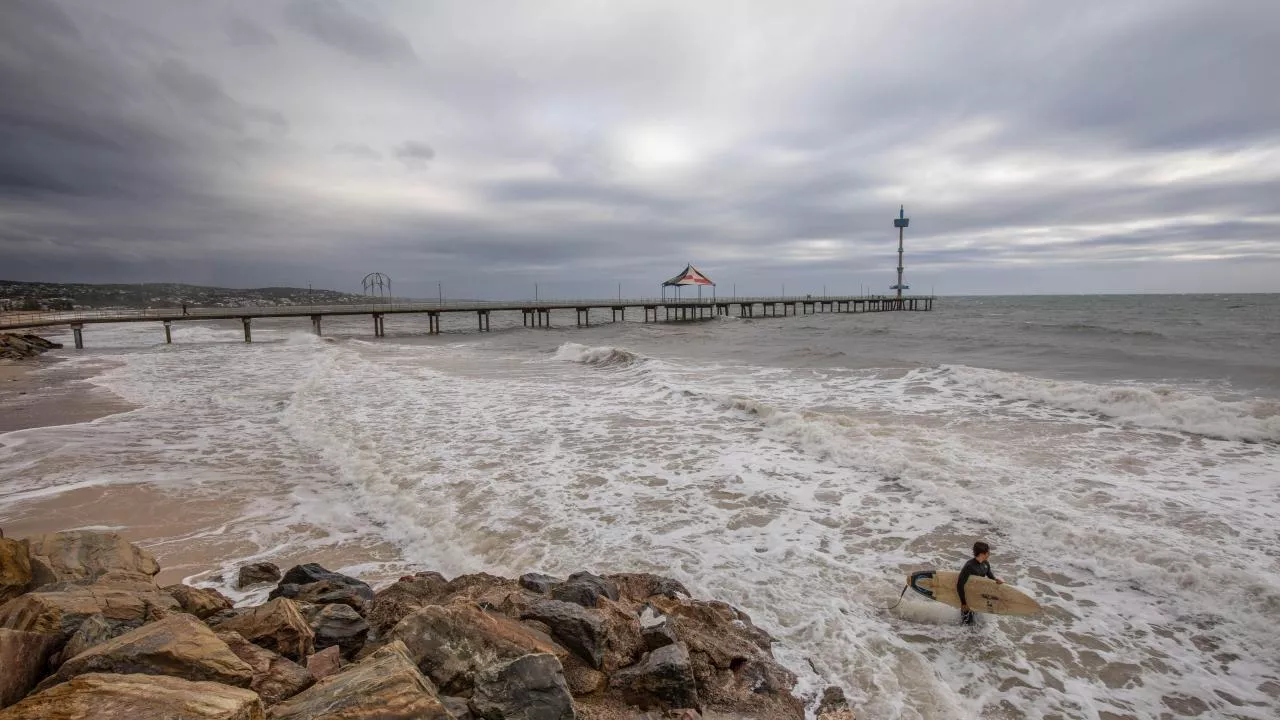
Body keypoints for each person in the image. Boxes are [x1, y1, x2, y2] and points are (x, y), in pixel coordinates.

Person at [958, 541, 1003, 625]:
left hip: (977, 597)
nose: (989, 554)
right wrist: (963, 603)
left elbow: (990, 576)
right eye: (988, 552)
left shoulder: (986, 564)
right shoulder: (969, 566)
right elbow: (960, 584)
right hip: (968, 597)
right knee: (966, 624)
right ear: (982, 553)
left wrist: (996, 580)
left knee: (978, 623)